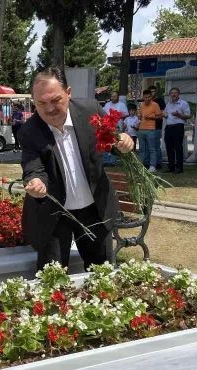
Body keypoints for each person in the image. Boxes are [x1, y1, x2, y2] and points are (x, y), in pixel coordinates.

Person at [20, 66, 135, 271]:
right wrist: (36, 183)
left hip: (93, 210)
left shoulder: (90, 112)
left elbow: (114, 142)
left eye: (55, 100)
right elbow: (33, 167)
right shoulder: (29, 131)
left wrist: (124, 143)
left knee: (101, 274)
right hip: (54, 214)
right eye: (41, 103)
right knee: (51, 277)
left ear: (69, 93)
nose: (49, 109)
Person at [163, 87, 191, 174]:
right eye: (172, 93)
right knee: (169, 147)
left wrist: (179, 114)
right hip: (169, 127)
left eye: (175, 93)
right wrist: (164, 115)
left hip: (178, 127)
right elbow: (166, 114)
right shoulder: (168, 104)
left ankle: (179, 167)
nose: (173, 94)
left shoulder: (183, 103)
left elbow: (188, 116)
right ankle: (171, 166)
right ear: (170, 94)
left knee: (178, 147)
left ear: (179, 94)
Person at [138, 89, 164, 172]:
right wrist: (139, 117)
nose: (147, 99)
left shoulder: (155, 105)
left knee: (151, 148)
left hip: (151, 129)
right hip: (141, 129)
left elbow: (160, 117)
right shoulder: (141, 105)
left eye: (149, 97)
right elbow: (140, 116)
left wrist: (151, 117)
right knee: (142, 149)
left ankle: (153, 166)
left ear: (151, 97)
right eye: (145, 97)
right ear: (143, 97)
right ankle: (141, 165)